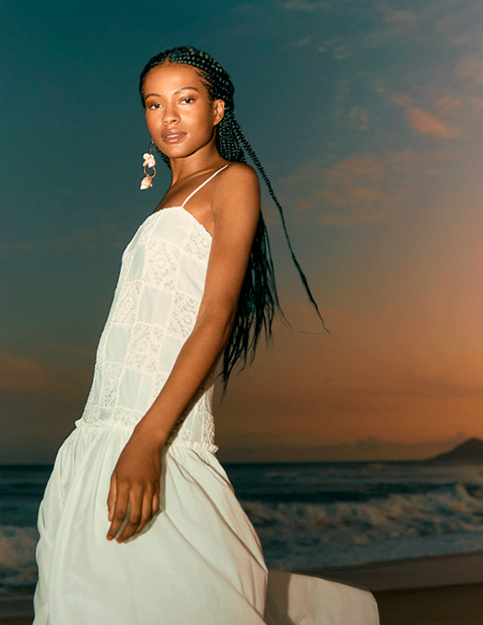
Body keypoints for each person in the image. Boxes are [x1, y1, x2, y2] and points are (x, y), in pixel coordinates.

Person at [33, 45, 380, 624]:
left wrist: (148, 439)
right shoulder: (163, 201)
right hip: (101, 426)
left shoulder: (232, 182)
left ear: (218, 110)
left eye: (185, 100)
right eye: (154, 103)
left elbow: (214, 319)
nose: (168, 116)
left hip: (156, 429)